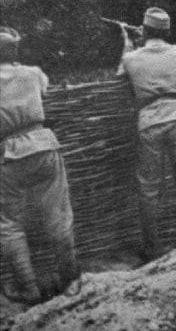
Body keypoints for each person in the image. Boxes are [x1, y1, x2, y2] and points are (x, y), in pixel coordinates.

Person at [1, 27, 80, 305]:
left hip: (9, 153)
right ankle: (70, 281)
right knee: (58, 214)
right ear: (15, 51)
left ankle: (30, 289)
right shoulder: (33, 73)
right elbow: (45, 91)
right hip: (43, 145)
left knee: (10, 223)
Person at [118, 8, 176, 262]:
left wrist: (127, 44)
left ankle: (152, 248)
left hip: (150, 122)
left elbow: (120, 75)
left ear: (144, 31)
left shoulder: (132, 58)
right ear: (167, 31)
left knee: (150, 188)